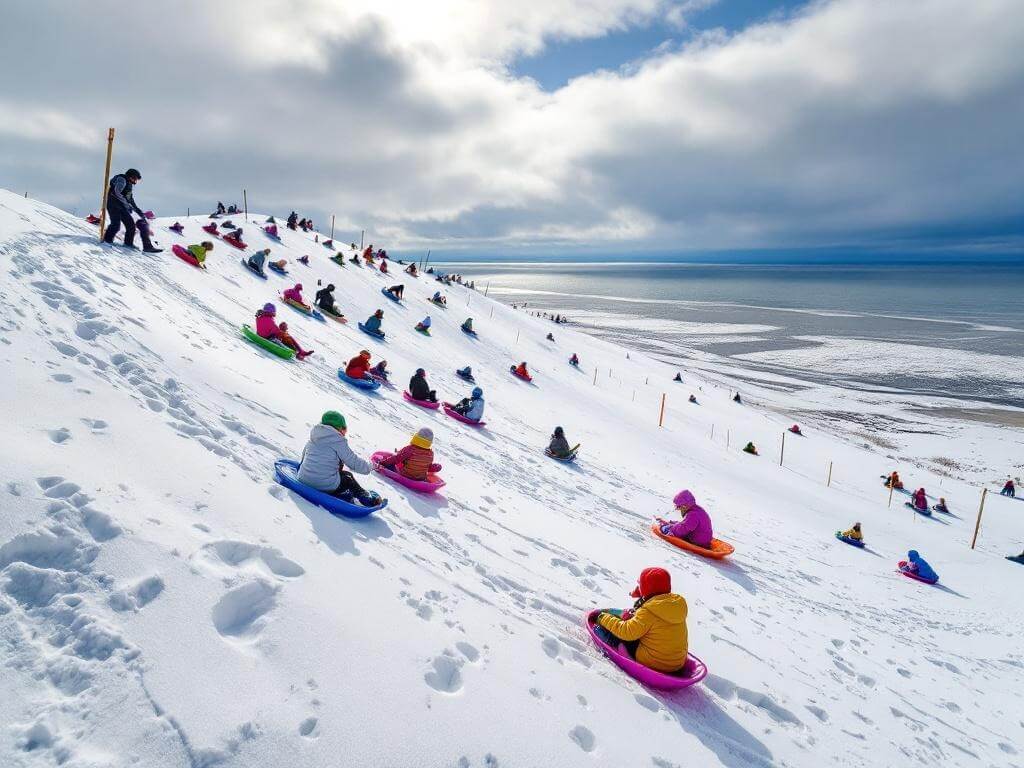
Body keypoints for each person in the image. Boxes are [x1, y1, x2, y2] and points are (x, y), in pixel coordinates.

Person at [594, 567, 688, 674]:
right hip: (677, 664)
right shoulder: (674, 605)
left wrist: (603, 618)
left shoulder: (649, 611)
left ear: (646, 588)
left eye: (641, 585)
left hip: (654, 663)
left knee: (603, 630)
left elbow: (627, 631)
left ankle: (623, 652)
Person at [296, 411, 381, 506]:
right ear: (339, 428)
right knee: (348, 478)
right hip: (323, 485)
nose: (345, 432)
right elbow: (353, 461)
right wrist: (369, 467)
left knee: (336, 471)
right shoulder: (338, 441)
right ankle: (367, 499)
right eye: (344, 428)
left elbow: (303, 458)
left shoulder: (313, 438)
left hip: (303, 479)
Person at [378, 428, 442, 482]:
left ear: (417, 437)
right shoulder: (430, 454)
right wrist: (434, 467)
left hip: (405, 475)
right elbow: (427, 467)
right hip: (420, 478)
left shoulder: (410, 449)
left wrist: (383, 463)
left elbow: (396, 458)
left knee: (392, 464)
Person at [103, 168, 146, 248]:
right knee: (116, 225)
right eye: (135, 178)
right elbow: (117, 192)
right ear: (131, 176)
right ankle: (107, 240)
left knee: (131, 226)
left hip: (122, 207)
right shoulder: (122, 179)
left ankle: (128, 243)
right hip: (113, 204)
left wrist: (136, 209)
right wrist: (126, 203)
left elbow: (130, 199)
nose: (135, 181)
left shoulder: (129, 185)